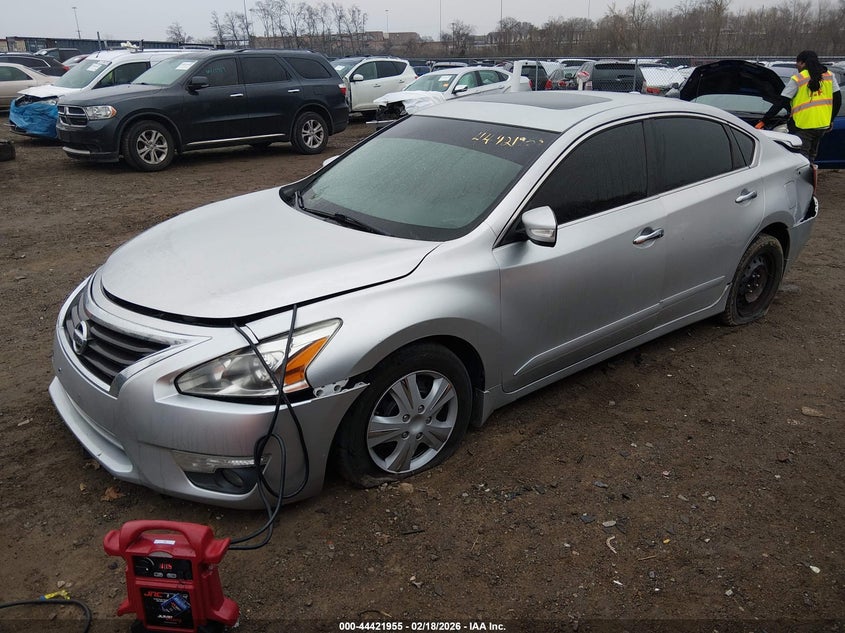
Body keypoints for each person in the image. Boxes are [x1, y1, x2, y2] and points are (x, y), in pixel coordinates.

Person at [762, 50, 841, 163]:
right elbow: (838, 100)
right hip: (822, 125)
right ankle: (812, 172)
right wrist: (831, 119)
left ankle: (807, 173)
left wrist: (765, 120)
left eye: (797, 63)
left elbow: (782, 101)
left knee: (802, 159)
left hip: (803, 125)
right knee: (812, 156)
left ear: (803, 63)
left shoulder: (798, 78)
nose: (796, 65)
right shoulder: (829, 76)